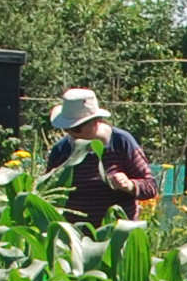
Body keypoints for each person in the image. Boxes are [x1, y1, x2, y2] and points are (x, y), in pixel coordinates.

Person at [43, 88, 160, 223]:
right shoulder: (62, 150)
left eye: (76, 128)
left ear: (96, 121)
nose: (70, 133)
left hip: (115, 233)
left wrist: (130, 185)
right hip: (74, 235)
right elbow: (49, 192)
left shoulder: (121, 142)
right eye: (66, 128)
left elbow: (151, 186)